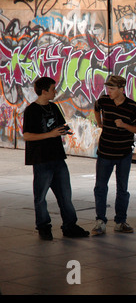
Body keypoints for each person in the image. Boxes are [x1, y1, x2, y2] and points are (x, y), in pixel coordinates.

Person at [23, 77, 90, 240]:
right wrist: (50, 134)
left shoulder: (53, 107)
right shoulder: (31, 110)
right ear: (44, 91)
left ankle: (70, 225)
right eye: (53, 89)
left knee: (65, 195)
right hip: (42, 160)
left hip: (58, 158)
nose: (55, 92)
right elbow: (27, 136)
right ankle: (44, 227)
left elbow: (61, 125)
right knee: (41, 197)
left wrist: (67, 131)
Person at [91, 75, 136, 235]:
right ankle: (100, 221)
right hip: (105, 152)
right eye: (108, 88)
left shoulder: (133, 107)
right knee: (100, 187)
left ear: (122, 89)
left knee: (122, 189)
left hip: (123, 153)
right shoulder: (104, 101)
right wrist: (99, 122)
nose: (109, 91)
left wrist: (124, 125)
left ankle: (120, 221)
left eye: (112, 89)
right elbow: (96, 107)